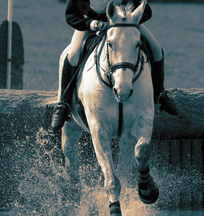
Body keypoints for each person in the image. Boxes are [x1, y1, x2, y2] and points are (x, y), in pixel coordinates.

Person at [51, 0, 180, 132]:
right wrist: (92, 23)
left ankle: (160, 94)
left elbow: (146, 10)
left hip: (123, 24)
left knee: (156, 49)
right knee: (73, 54)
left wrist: (128, 21)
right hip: (91, 25)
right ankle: (63, 104)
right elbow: (71, 16)